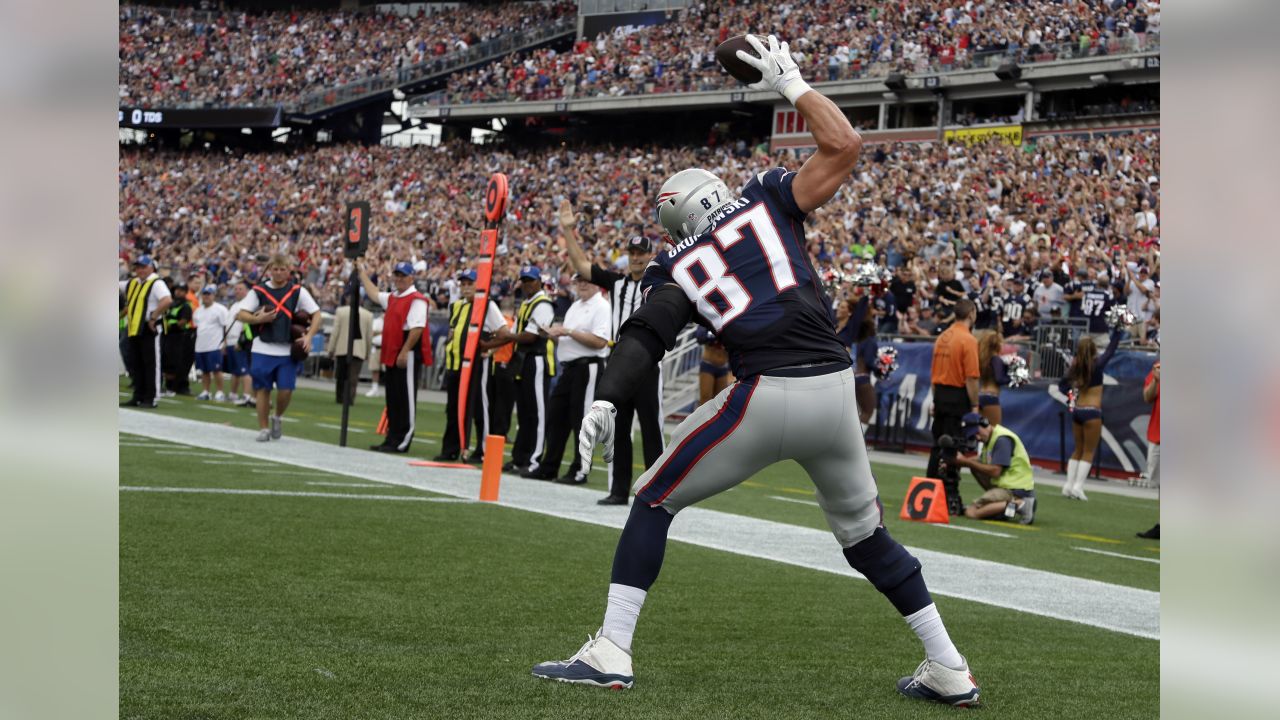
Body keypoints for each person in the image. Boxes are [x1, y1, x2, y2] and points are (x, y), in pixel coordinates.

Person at [533, 36, 979, 707]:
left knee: (654, 496)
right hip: (835, 394)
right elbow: (847, 147)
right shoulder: (769, 199)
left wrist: (608, 398)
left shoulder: (678, 263)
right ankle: (948, 665)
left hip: (765, 394)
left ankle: (610, 649)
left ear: (673, 222)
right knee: (865, 537)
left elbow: (647, 332)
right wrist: (793, 84)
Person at [560, 201, 666, 505]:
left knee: (651, 429)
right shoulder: (616, 282)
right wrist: (568, 229)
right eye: (631, 253)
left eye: (640, 253)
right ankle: (619, 490)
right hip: (618, 362)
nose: (635, 258)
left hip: (646, 363)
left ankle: (655, 491)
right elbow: (581, 267)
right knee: (618, 429)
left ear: (650, 256)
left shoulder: (659, 285)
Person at [522, 274, 611, 483]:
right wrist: (552, 333)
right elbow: (569, 336)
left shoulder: (601, 306)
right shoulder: (576, 305)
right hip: (569, 367)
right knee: (556, 417)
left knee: (582, 420)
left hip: (587, 366)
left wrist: (568, 331)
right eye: (578, 281)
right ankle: (549, 466)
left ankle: (581, 469)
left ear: (597, 284)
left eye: (586, 280)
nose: (582, 284)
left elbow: (600, 341)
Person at [235, 254, 322, 442]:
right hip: (262, 347)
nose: (279, 272)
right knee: (262, 389)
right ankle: (264, 428)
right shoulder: (259, 291)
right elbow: (240, 314)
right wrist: (257, 319)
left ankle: (277, 416)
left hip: (287, 349)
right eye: (275, 269)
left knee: (286, 389)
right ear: (270, 270)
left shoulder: (297, 291)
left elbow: (316, 314)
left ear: (289, 270)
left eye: (283, 269)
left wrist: (308, 336)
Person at [438, 270, 513, 462]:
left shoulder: (487, 305)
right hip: (456, 364)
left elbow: (505, 333)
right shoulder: (456, 306)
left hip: (477, 365)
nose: (466, 287)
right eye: (463, 284)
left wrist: (487, 346)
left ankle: (482, 450)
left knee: (480, 407)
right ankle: (451, 448)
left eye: (469, 283)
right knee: (453, 408)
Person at [358, 261, 431, 454]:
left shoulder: (416, 299)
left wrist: (405, 351)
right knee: (393, 398)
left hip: (405, 350)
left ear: (411, 277)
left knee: (405, 398)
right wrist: (362, 273)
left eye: (402, 275)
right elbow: (374, 294)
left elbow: (417, 329)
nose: (398, 279)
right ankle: (392, 438)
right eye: (396, 275)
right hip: (392, 351)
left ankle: (403, 439)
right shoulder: (394, 297)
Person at [928, 298, 980, 515]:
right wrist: (975, 405)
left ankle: (929, 489)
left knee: (937, 445)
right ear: (971, 314)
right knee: (953, 446)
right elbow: (971, 378)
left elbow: (933, 375)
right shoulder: (967, 340)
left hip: (940, 394)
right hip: (957, 397)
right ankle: (949, 495)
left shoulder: (942, 337)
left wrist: (934, 399)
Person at [1058, 326, 1123, 500]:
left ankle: (1068, 485)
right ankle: (1078, 487)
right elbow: (1111, 349)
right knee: (1088, 451)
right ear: (1094, 350)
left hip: (1078, 411)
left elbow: (1062, 386)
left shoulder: (1075, 368)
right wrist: (1118, 330)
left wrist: (1071, 396)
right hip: (1092, 412)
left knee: (1077, 450)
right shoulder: (1098, 365)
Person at [506, 266, 557, 474]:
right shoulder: (528, 303)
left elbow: (530, 336)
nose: (527, 284)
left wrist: (505, 336)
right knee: (525, 412)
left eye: (531, 280)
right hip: (523, 360)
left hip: (536, 359)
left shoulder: (543, 304)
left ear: (540, 282)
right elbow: (516, 332)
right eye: (524, 280)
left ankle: (534, 459)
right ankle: (520, 457)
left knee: (536, 412)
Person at [948, 413, 1036, 525]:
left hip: (1015, 489)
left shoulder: (1001, 439)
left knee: (972, 512)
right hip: (1011, 486)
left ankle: (1020, 505)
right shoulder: (990, 439)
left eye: (977, 433)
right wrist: (956, 461)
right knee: (974, 466)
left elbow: (995, 471)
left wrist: (965, 461)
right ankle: (1004, 509)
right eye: (973, 436)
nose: (977, 438)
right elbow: (980, 460)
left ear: (984, 424)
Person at [120, 255, 172, 408]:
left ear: (151, 267)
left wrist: (153, 317)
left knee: (151, 364)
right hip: (134, 328)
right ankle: (138, 395)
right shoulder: (134, 283)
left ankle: (151, 397)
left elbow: (167, 300)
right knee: (137, 364)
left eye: (143, 267)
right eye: (137, 267)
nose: (140, 270)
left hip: (149, 328)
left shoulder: (156, 283)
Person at [326, 286, 374, 406]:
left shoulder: (341, 312)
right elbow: (369, 336)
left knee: (341, 376)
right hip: (358, 350)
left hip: (342, 348)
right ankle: (350, 398)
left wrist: (331, 349)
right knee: (353, 377)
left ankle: (340, 397)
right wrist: (367, 352)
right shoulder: (368, 315)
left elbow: (335, 332)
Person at [192, 285, 230, 401]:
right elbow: (197, 327)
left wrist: (225, 342)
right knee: (204, 370)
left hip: (214, 345)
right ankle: (206, 391)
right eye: (204, 294)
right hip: (200, 345)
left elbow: (226, 326)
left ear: (214, 295)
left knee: (217, 370)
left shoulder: (220, 309)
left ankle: (220, 392)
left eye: (209, 294)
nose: (206, 296)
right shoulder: (198, 311)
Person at [1136, 360, 1160, 539]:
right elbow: (1147, 397)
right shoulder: (1159, 366)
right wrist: (1156, 381)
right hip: (1158, 434)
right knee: (1160, 484)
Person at [224, 279, 256, 407]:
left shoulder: (247, 306)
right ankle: (233, 394)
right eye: (236, 289)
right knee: (235, 371)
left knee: (244, 370)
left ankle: (247, 395)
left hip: (240, 340)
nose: (237, 291)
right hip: (230, 340)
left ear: (247, 291)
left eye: (240, 289)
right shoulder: (234, 305)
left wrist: (240, 341)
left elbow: (246, 325)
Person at [161, 281, 195, 396]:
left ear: (185, 292)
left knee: (175, 362)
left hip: (178, 336)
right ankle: (169, 385)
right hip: (168, 335)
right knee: (166, 360)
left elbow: (183, 321)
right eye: (177, 290)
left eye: (181, 290)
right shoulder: (172, 303)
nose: (178, 292)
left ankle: (176, 386)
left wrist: (170, 325)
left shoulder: (186, 305)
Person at [976, 330, 1010, 427]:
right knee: (994, 430)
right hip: (991, 397)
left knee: (981, 429)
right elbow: (999, 379)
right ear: (997, 344)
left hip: (980, 394)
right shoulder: (996, 359)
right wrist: (1012, 378)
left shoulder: (982, 359)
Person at [695, 326, 734, 405]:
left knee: (719, 402)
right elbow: (700, 337)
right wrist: (716, 336)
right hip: (709, 365)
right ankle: (703, 417)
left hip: (723, 367)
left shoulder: (730, 322)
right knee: (705, 399)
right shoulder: (709, 321)